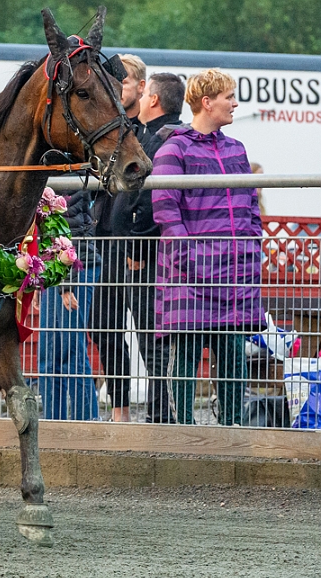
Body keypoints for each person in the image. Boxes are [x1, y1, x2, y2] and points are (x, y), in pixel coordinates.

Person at [152, 68, 264, 425]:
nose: (234, 103)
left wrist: (251, 246)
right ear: (206, 102)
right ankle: (183, 433)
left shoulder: (237, 149)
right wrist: (190, 258)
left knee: (233, 355)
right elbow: (166, 210)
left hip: (233, 272)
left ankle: (233, 432)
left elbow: (250, 204)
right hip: (191, 274)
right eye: (228, 97)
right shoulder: (174, 148)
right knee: (185, 353)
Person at [124, 72, 187, 423]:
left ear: (153, 100)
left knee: (153, 340)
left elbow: (154, 200)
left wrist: (137, 249)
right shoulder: (157, 135)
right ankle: (161, 412)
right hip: (148, 254)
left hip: (148, 258)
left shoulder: (163, 138)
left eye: (146, 91)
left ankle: (163, 415)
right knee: (152, 340)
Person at [88, 54, 146, 423]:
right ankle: (120, 409)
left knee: (147, 329)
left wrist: (136, 239)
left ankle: (160, 408)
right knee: (102, 325)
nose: (115, 91)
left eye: (122, 83)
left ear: (141, 87)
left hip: (133, 243)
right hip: (101, 238)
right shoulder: (98, 130)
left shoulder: (146, 133)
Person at [38, 192, 101, 420]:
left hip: (75, 267)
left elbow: (67, 228)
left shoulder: (71, 170)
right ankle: (52, 423)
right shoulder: (47, 170)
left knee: (71, 352)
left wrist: (66, 285)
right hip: (54, 269)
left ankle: (87, 421)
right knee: (48, 357)